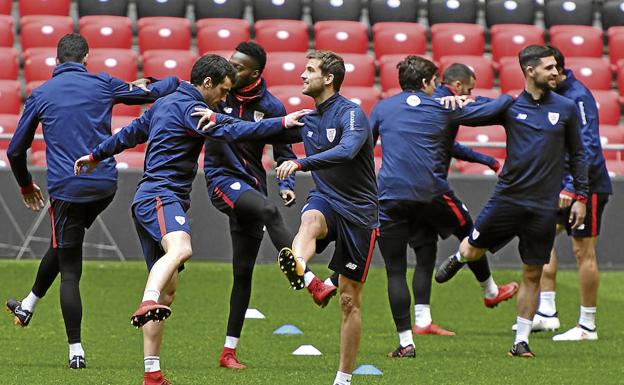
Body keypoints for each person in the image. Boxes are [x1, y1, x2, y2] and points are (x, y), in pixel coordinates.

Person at [74, 54, 308, 385]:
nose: (225, 99)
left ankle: (152, 372)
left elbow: (130, 133)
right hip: (161, 196)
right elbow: (236, 129)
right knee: (181, 249)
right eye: (223, 92)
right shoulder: (192, 109)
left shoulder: (164, 103)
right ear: (207, 84)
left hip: (150, 200)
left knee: (168, 292)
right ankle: (146, 301)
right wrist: (282, 124)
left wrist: (95, 155)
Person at [5, 33, 179, 369]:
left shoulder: (41, 94)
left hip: (67, 190)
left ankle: (76, 351)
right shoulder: (104, 83)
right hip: (104, 187)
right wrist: (173, 80)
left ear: (57, 61)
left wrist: (26, 185)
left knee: (70, 266)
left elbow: (14, 151)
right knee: (63, 245)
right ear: (87, 57)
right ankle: (28, 304)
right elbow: (152, 91)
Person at [435, 45, 589, 358]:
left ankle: (521, 342)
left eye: (555, 67)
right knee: (472, 249)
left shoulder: (567, 107)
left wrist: (579, 194)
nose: (556, 72)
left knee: (533, 273)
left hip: (544, 206)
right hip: (507, 199)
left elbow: (579, 153)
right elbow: (469, 116)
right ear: (530, 70)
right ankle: (460, 258)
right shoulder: (509, 105)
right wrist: (450, 103)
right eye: (548, 68)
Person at [370, 56, 516, 357]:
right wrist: (473, 100)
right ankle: (489, 290)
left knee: (401, 267)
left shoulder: (383, 107)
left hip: (389, 195)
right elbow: (500, 106)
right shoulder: (442, 107)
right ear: (426, 83)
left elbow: (363, 146)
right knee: (471, 231)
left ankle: (408, 340)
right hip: (429, 193)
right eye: (435, 82)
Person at [274, 50, 378, 385]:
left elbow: (347, 151)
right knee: (310, 221)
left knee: (349, 301)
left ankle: (343, 378)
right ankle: (303, 274)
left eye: (310, 70)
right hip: (326, 199)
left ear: (328, 78)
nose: (302, 76)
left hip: (360, 212)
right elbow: (265, 132)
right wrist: (219, 122)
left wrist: (301, 165)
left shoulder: (351, 114)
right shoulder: (307, 118)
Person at [203, 42, 298, 369]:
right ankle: (305, 275)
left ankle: (228, 351)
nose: (231, 71)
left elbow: (285, 153)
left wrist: (286, 184)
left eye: (239, 67)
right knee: (270, 211)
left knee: (242, 272)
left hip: (253, 187)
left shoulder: (272, 106)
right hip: (221, 181)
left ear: (255, 73)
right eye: (230, 63)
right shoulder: (218, 95)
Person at [528, 46, 611, 340]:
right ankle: (547, 312)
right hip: (559, 183)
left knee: (582, 251)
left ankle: (587, 325)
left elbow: (587, 148)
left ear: (558, 70)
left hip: (588, 184)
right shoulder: (550, 94)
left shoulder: (578, 96)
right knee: (541, 236)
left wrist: (574, 188)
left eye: (549, 70)